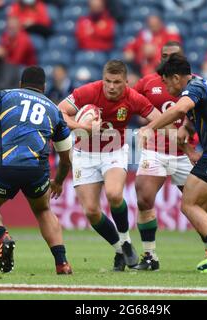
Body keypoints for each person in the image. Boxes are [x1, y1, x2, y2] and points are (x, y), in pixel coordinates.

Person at [0, 66, 73, 275]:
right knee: (43, 210)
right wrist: (59, 181)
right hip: (36, 171)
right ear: (44, 88)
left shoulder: (2, 96)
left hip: (4, 167)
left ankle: (4, 237)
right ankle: (62, 263)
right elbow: (66, 158)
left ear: (20, 84)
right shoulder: (54, 110)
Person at [140, 53, 207, 273]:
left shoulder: (193, 88)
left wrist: (150, 128)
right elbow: (190, 121)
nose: (165, 84)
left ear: (177, 78)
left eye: (166, 80)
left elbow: (179, 109)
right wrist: (187, 144)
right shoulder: (204, 85)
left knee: (188, 204)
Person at [58, 60, 162, 271]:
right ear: (102, 78)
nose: (112, 86)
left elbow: (160, 117)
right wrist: (82, 127)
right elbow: (59, 112)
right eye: (108, 81)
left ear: (126, 81)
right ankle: (120, 249)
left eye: (117, 82)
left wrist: (149, 129)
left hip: (113, 151)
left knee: (114, 195)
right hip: (83, 154)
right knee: (91, 211)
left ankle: (124, 240)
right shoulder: (88, 92)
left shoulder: (132, 97)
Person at [131, 41, 197, 271]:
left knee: (201, 204)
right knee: (144, 198)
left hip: (185, 153)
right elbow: (130, 101)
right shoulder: (147, 82)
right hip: (155, 151)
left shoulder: (194, 83)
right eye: (165, 55)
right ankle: (150, 256)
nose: (168, 59)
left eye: (173, 56)